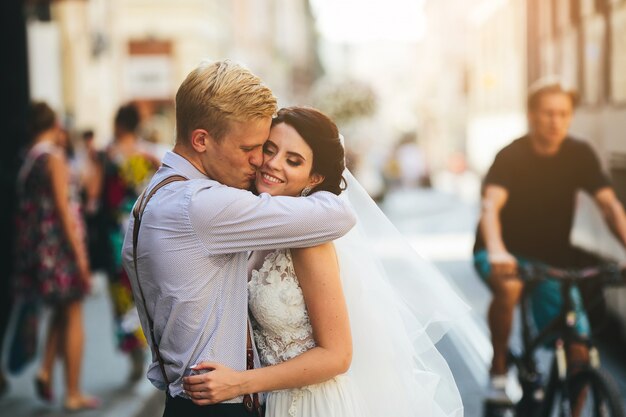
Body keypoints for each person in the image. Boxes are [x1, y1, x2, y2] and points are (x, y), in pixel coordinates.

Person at [182, 107, 467, 417]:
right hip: (273, 402)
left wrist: (238, 384)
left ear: (314, 178)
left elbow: (337, 356)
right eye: (270, 149)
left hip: (312, 404)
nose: (273, 164)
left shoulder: (310, 243)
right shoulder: (261, 226)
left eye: (293, 161)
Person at [120, 60, 358, 417]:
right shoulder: (202, 205)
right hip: (216, 405)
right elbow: (340, 214)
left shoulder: (153, 195)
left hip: (192, 399)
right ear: (201, 140)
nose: (259, 162)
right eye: (252, 148)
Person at [473, 80, 626, 402]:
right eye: (547, 114)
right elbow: (490, 206)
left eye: (563, 114)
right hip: (501, 250)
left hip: (553, 259)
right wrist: (498, 251)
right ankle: (499, 367)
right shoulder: (512, 156)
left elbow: (610, 206)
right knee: (511, 287)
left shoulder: (579, 154)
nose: (555, 121)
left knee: (579, 346)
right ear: (531, 115)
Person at [13, 101, 100, 411]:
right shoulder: (52, 158)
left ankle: (46, 369)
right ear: (53, 125)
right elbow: (65, 211)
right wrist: (80, 258)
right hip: (60, 250)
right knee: (74, 315)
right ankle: (73, 392)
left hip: (38, 252)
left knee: (61, 312)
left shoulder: (29, 159)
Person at [102, 103, 160, 382]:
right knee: (146, 290)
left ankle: (133, 352)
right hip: (144, 230)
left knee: (122, 293)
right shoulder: (149, 155)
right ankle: (150, 348)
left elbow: (92, 195)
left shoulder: (108, 156)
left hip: (116, 235)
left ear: (118, 124)